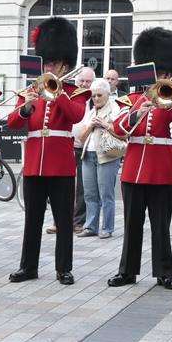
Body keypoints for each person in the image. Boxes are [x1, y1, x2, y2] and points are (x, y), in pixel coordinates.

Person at [108, 29, 172, 291]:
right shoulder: (132, 99)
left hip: (161, 171)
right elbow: (118, 128)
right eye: (159, 73)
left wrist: (170, 103)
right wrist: (138, 110)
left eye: (166, 74)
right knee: (132, 226)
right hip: (133, 172)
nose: (162, 78)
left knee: (161, 227)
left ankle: (164, 272)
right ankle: (127, 271)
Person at [8, 18, 88, 285]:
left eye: (53, 63)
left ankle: (63, 268)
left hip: (61, 165)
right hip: (34, 164)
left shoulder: (74, 92)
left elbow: (76, 116)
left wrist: (58, 92)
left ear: (65, 64)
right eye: (47, 62)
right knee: (32, 220)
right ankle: (28, 267)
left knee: (64, 221)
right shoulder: (30, 90)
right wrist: (27, 107)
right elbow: (12, 122)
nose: (49, 67)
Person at [73, 78, 127, 239]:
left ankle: (107, 227)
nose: (96, 98)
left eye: (99, 95)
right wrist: (90, 126)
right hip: (88, 155)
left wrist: (105, 124)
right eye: (93, 96)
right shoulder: (90, 112)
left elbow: (123, 133)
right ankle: (90, 226)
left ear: (108, 94)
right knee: (89, 194)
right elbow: (81, 139)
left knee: (106, 194)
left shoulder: (116, 108)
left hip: (107, 155)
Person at [70, 66, 97, 230]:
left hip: (86, 148)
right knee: (63, 187)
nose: (85, 84)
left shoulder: (96, 99)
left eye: (88, 81)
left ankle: (79, 222)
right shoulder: (69, 96)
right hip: (68, 145)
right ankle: (60, 221)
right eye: (82, 81)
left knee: (83, 188)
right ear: (76, 81)